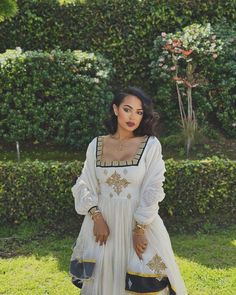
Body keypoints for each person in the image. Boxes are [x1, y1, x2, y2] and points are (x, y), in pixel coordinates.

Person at [69, 86, 188, 295]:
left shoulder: (151, 145)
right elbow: (84, 183)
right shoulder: (96, 144)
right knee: (102, 282)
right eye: (127, 109)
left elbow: (153, 187)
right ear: (115, 109)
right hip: (102, 226)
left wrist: (139, 228)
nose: (133, 116)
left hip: (139, 222)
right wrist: (96, 217)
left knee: (145, 282)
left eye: (139, 112)